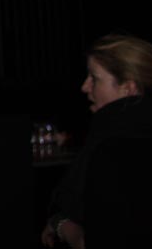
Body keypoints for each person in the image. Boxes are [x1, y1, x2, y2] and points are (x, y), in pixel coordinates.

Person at [40, 33, 152, 249]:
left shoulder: (113, 149)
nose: (85, 87)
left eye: (95, 78)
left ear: (128, 88)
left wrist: (61, 225)